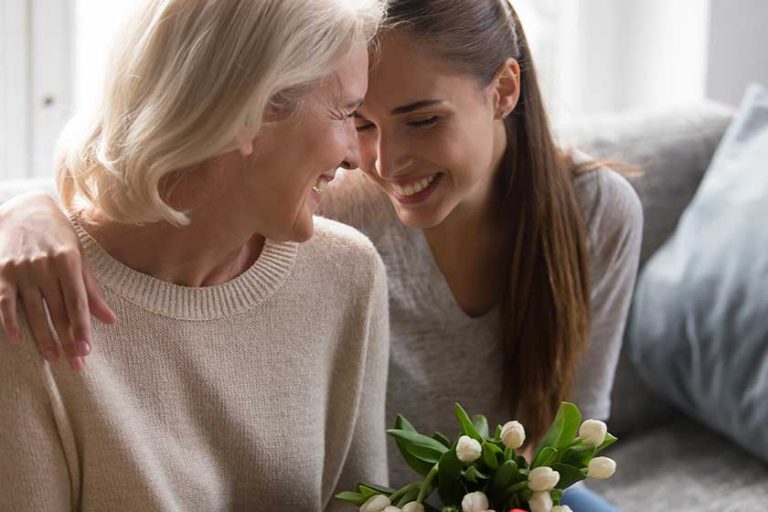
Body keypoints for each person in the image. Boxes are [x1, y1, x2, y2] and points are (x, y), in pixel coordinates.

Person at [0, 0, 642, 510]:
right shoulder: (328, 211)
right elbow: (166, 170)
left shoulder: (341, 260)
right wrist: (23, 212)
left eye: (423, 120)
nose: (374, 163)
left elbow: (571, 431)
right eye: (356, 119)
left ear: (504, 91)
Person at [0, 0, 390, 510]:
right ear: (250, 111)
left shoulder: (348, 276)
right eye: (344, 112)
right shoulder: (33, 300)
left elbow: (362, 501)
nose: (354, 156)